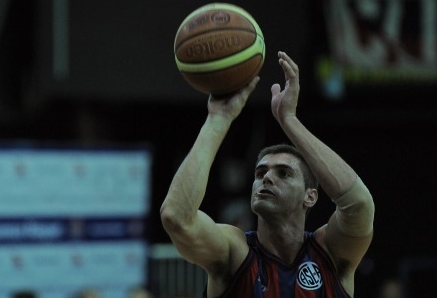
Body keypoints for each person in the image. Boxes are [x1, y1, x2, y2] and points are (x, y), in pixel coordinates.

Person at [160, 51, 375, 297]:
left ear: (310, 197)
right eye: (260, 171)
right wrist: (217, 120)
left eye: (284, 173)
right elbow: (176, 217)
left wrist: (290, 121)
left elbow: (358, 204)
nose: (267, 177)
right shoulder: (235, 252)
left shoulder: (330, 253)